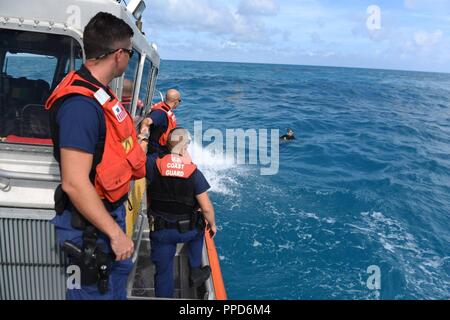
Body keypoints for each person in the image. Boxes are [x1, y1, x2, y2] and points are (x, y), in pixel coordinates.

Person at [45, 12, 150, 300]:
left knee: (114, 284)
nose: (128, 60)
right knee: (90, 292)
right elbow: (75, 183)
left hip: (105, 216)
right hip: (88, 227)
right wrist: (115, 235)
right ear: (118, 54)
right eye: (129, 53)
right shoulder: (80, 106)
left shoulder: (98, 93)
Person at [146, 128, 217, 298]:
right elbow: (206, 207)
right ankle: (194, 270)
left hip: (161, 230)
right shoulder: (193, 172)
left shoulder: (152, 163)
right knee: (201, 229)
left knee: (163, 273)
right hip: (188, 231)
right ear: (186, 146)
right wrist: (212, 224)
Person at [140, 89, 181, 155]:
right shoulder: (160, 113)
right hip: (157, 154)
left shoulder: (166, 110)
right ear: (176, 102)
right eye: (179, 101)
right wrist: (144, 139)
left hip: (163, 150)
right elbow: (147, 121)